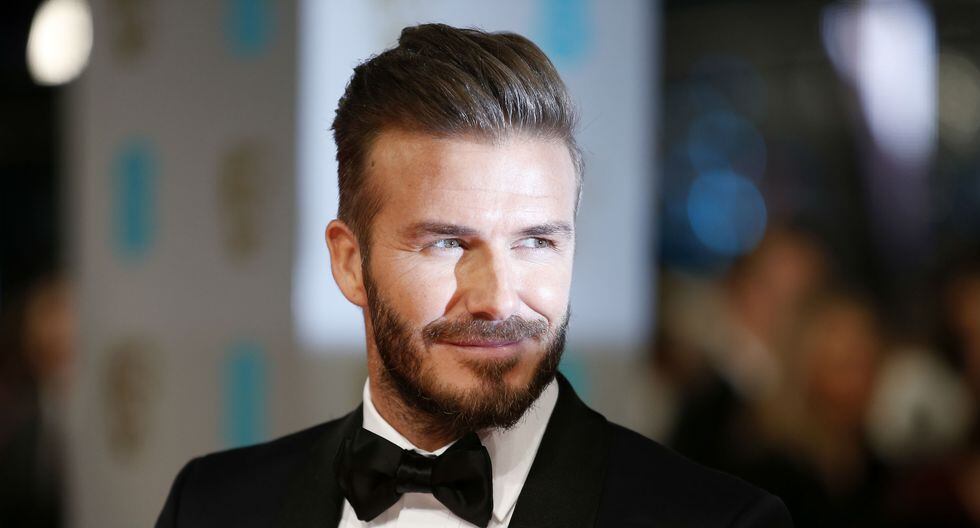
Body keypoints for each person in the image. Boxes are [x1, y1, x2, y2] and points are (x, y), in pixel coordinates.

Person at [156, 23, 793, 528]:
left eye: (536, 242)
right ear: (350, 263)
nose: (497, 299)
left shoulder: (718, 521)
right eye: (446, 243)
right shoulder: (213, 507)